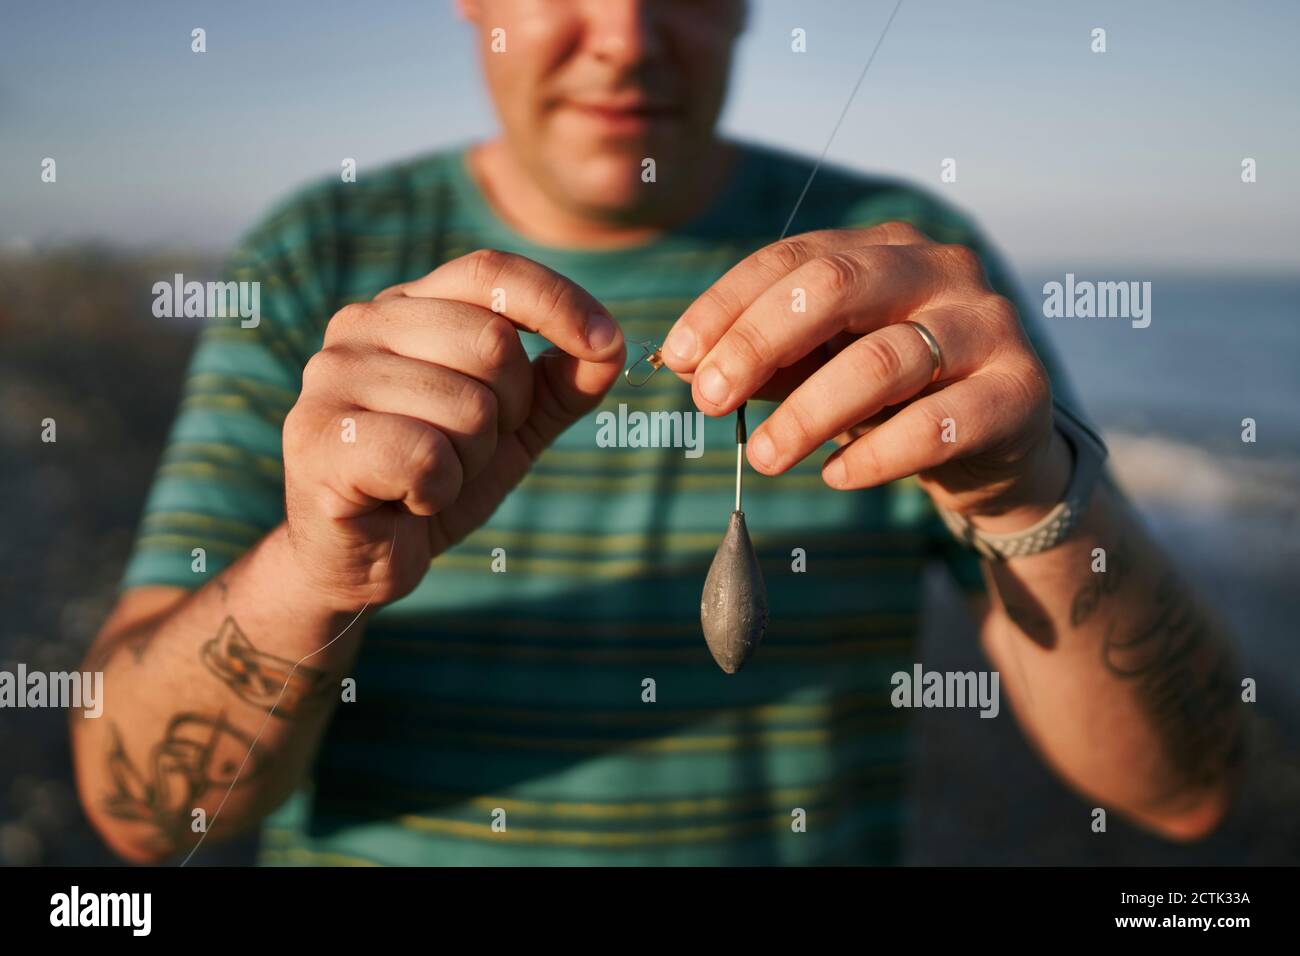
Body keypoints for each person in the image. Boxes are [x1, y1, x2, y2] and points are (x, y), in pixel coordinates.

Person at [71, 0, 1245, 866]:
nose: (626, 37)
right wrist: (318, 574)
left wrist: (1022, 490)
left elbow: (1189, 789)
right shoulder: (312, 261)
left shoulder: (909, 265)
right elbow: (144, 817)